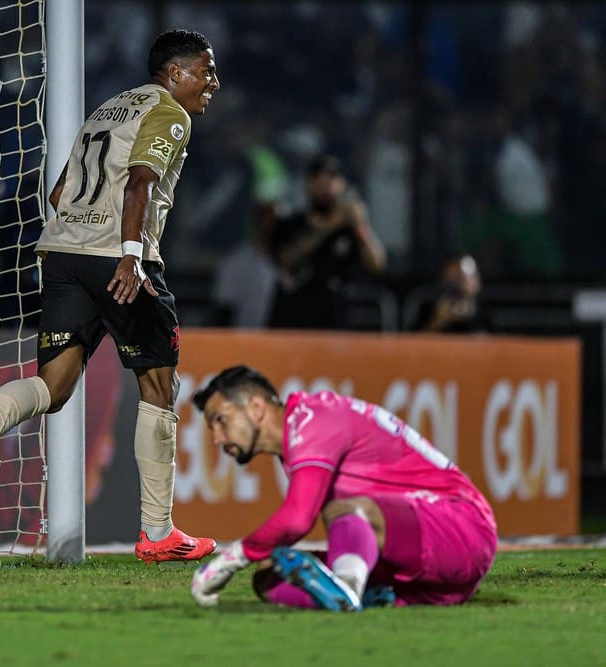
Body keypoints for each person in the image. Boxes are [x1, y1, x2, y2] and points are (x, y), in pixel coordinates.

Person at [0, 29, 221, 563]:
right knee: (158, 385)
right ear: (176, 73)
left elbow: (60, 191)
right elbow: (140, 184)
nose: (213, 83)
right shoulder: (168, 113)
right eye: (205, 71)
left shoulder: (108, 109)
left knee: (54, 385)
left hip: (63, 254)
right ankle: (158, 532)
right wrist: (131, 255)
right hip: (119, 257)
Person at [189, 365, 497, 610]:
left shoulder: (310, 420)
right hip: (425, 566)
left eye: (220, 420)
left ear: (256, 407)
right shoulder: (301, 433)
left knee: (350, 510)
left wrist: (231, 560)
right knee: (269, 576)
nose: (216, 438)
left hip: (462, 530)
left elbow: (298, 519)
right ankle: (366, 597)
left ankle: (347, 589)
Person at [268, 154, 387, 330]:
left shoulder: (351, 229)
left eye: (331, 179)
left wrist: (361, 226)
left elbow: (377, 265)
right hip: (296, 317)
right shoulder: (292, 223)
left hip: (338, 319)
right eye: (318, 179)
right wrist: (327, 227)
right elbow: (287, 261)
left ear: (342, 184)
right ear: (308, 184)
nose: (325, 186)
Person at [411, 252, 491, 334]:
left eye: (464, 277)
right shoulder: (427, 303)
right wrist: (438, 321)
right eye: (453, 278)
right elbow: (412, 340)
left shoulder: (487, 306)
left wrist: (472, 317)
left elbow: (495, 338)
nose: (457, 284)